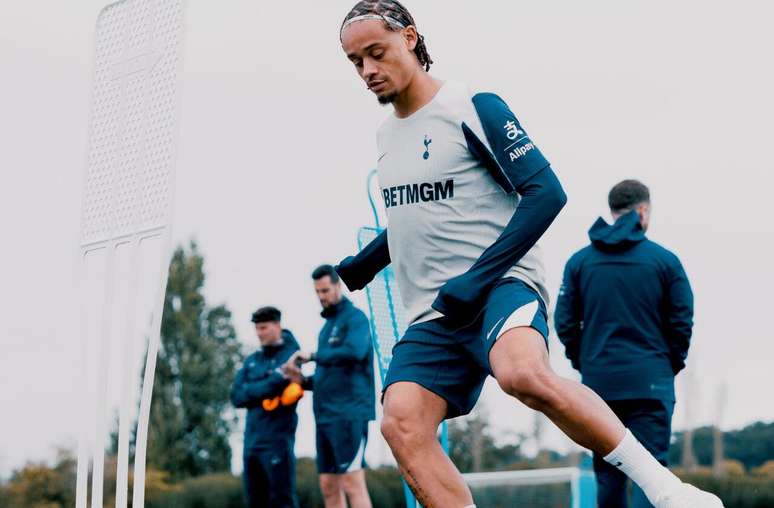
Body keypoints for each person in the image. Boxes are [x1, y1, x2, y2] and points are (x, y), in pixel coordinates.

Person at [332, 2, 723, 507]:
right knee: (400, 421)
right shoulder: (386, 137)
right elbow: (427, 212)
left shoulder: (473, 107)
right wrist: (369, 259)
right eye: (355, 61)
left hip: (500, 285)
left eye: (375, 53)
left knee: (522, 373)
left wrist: (477, 278)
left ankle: (670, 491)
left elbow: (546, 192)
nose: (367, 71)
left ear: (409, 38)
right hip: (433, 310)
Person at [555, 180, 694, 507]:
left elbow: (563, 322)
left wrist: (586, 361)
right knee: (652, 471)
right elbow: (682, 321)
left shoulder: (579, 263)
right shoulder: (665, 261)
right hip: (651, 383)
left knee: (608, 472)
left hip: (600, 385)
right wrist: (667, 364)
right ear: (643, 211)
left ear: (613, 211)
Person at [284, 265, 375, 508]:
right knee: (328, 485)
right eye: (317, 292)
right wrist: (301, 381)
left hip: (348, 415)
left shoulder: (356, 319)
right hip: (324, 417)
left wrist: (312, 355)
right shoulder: (326, 328)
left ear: (337, 286)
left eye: (325, 290)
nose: (322, 296)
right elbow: (327, 374)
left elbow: (354, 352)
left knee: (352, 483)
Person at [230, 306, 302, 508]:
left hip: (277, 441)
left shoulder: (291, 356)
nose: (259, 333)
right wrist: (275, 380)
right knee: (255, 502)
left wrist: (253, 390)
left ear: (277, 325)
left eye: (264, 328)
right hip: (251, 442)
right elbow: (236, 396)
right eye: (257, 329)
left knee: (283, 501)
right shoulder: (252, 360)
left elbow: (288, 380)